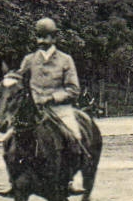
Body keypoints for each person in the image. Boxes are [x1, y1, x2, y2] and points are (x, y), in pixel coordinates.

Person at [17, 17, 85, 151]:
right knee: (12, 138)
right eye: (38, 36)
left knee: (74, 136)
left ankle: (75, 163)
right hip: (34, 110)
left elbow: (74, 90)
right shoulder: (29, 60)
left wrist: (52, 98)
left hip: (59, 109)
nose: (41, 41)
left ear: (54, 37)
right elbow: (19, 84)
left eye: (45, 37)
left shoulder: (65, 60)